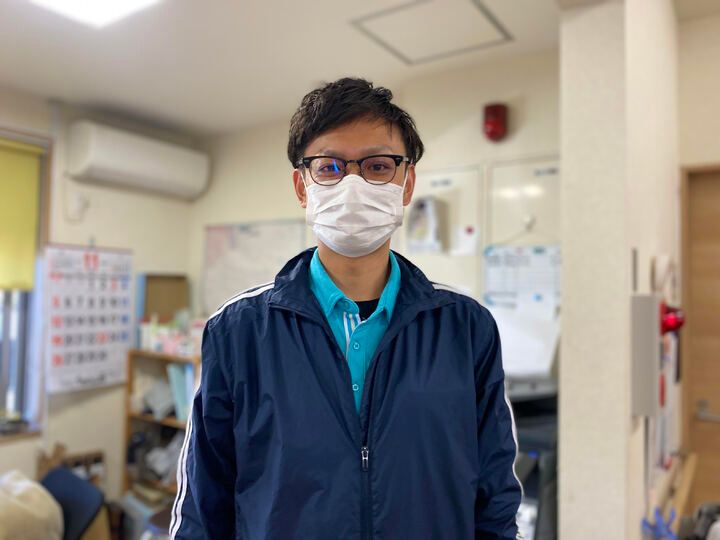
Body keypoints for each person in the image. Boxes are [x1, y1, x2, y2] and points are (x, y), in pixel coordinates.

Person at [170, 77, 522, 539]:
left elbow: (495, 499)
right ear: (302, 186)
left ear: (407, 183)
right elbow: (202, 508)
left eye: (378, 166)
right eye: (330, 167)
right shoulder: (238, 331)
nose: (353, 184)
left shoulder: (465, 327)